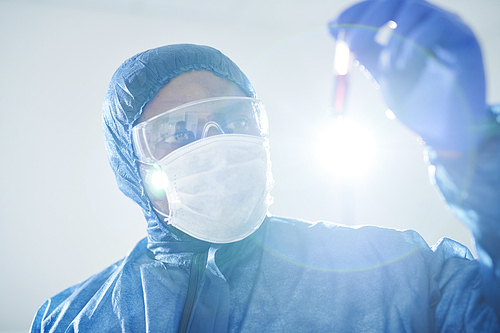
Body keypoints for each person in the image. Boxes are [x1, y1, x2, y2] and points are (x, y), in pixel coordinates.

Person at [31, 0, 500, 331]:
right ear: (131, 166)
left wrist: (474, 151)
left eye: (234, 119)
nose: (216, 142)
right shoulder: (71, 320)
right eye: (178, 131)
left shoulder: (397, 273)